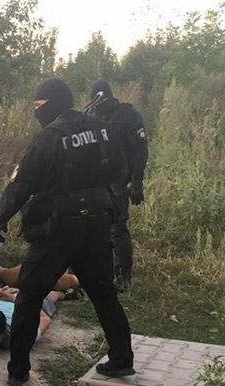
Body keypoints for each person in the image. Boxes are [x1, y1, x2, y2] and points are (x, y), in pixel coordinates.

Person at [0, 78, 135, 386]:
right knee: (103, 293)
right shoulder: (102, 129)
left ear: (53, 102)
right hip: (98, 223)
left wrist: (0, 217)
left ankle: (18, 370)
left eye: (38, 105)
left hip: (58, 228)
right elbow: (120, 170)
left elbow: (23, 184)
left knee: (30, 295)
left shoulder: (51, 136)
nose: (36, 111)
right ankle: (122, 358)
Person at [87, 79, 149, 291]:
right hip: (95, 181)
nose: (97, 109)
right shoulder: (92, 116)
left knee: (117, 228)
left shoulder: (128, 116)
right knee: (92, 228)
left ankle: (123, 275)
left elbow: (141, 151)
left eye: (99, 104)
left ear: (106, 98)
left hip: (119, 182)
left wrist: (137, 182)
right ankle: (97, 272)